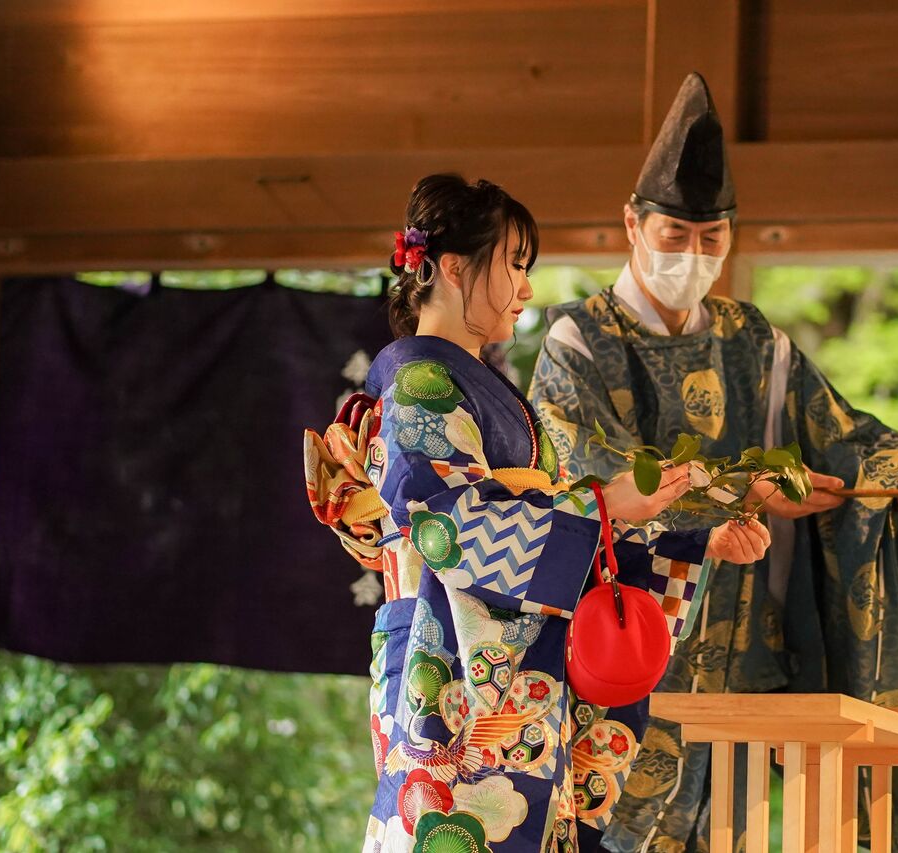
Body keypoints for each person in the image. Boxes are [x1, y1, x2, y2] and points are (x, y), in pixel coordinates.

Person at [528, 74, 898, 851]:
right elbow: (593, 475)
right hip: (627, 654)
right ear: (632, 223)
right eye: (674, 235)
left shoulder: (755, 341)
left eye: (711, 238)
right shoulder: (578, 341)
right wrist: (743, 494)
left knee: (733, 833)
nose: (693, 255)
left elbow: (840, 434)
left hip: (744, 654)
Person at [306, 174, 771, 853]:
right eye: (515, 265)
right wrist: (602, 504)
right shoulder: (418, 384)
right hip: (450, 665)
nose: (526, 288)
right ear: (454, 268)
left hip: (508, 674)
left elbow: (549, 519)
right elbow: (449, 526)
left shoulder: (473, 387)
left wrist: (693, 542)